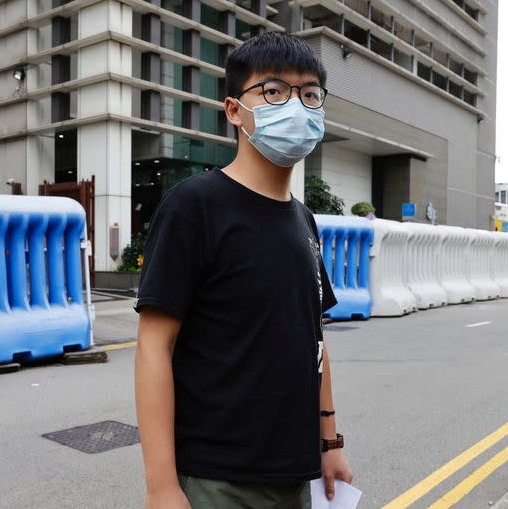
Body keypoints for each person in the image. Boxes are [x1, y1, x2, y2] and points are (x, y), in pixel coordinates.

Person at [134, 31, 353, 509]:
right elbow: (154, 345)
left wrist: (329, 442)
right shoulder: (194, 207)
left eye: (310, 94)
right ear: (235, 110)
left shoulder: (303, 219)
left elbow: (314, 338)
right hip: (218, 479)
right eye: (274, 91)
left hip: (298, 474)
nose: (296, 105)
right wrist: (161, 486)